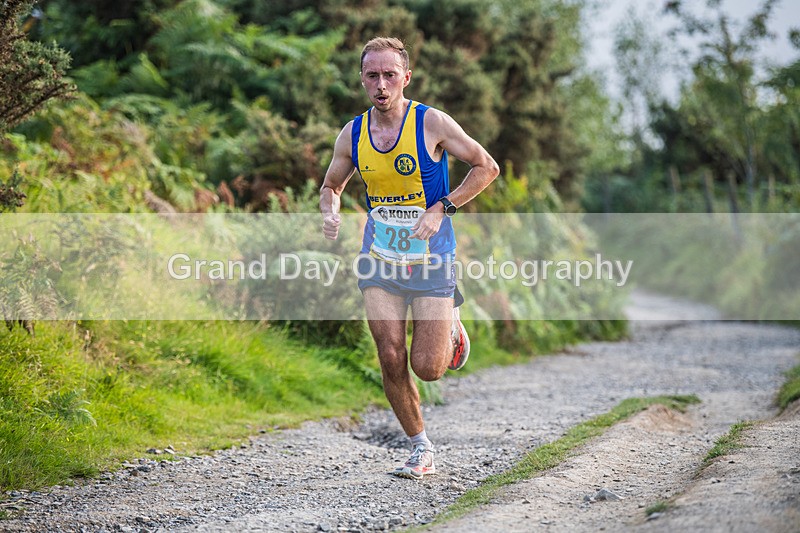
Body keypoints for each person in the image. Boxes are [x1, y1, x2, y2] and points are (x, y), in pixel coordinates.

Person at [319, 37, 499, 479]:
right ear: (362, 79)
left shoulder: (431, 123)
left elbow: (486, 166)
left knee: (427, 367)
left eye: (389, 75)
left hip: (432, 254)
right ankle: (420, 447)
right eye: (371, 76)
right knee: (390, 355)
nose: (381, 84)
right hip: (379, 255)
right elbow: (330, 186)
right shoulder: (352, 133)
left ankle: (452, 327)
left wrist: (443, 207)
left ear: (406, 78)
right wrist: (331, 212)